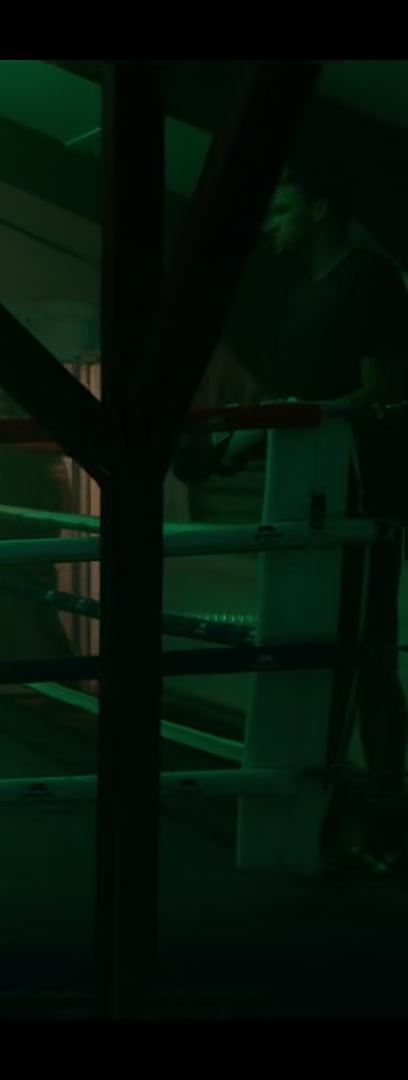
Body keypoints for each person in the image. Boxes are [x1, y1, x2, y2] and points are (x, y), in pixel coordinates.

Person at [192, 158, 407, 877]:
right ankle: (327, 811)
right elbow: (303, 393)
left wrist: (297, 418)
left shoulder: (368, 280)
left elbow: (384, 390)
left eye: (285, 210)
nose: (274, 225)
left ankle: (386, 817)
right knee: (317, 649)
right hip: (308, 497)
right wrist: (253, 431)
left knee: (363, 652)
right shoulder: (301, 292)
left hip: (361, 495)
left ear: (319, 210)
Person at [0, 388, 77, 666]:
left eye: (2, 412)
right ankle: (62, 674)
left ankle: (63, 674)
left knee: (33, 613)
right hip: (19, 546)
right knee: (26, 613)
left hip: (21, 547)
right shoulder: (33, 448)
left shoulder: (24, 449)